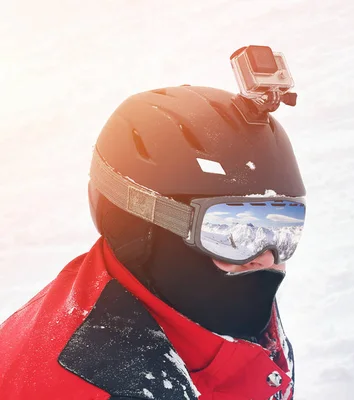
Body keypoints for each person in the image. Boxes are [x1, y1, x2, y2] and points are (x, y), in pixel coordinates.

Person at [0, 82, 306, 399]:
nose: (267, 258)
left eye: (284, 229)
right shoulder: (69, 388)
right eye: (234, 231)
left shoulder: (214, 305)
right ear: (137, 226)